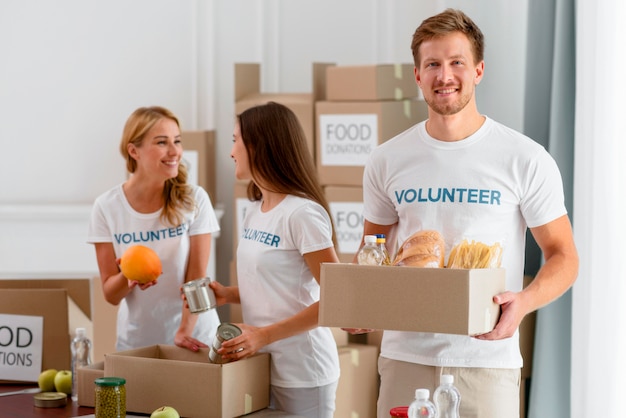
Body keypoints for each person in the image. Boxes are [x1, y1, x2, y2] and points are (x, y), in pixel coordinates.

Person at [354, 9, 579, 417]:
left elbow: (564, 256)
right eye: (433, 64)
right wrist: (360, 301)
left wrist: (523, 304)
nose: (445, 76)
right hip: (407, 356)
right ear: (418, 75)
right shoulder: (386, 160)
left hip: (486, 359)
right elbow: (373, 249)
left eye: (456, 62)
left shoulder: (524, 158)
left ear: (478, 70)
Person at [208, 102, 340, 418]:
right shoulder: (255, 211)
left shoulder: (302, 214)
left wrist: (263, 335)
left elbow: (339, 299)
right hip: (260, 365)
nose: (231, 152)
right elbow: (279, 288)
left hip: (303, 373)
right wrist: (229, 294)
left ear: (258, 146)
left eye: (235, 140)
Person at [87, 106, 221, 352]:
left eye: (177, 141)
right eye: (162, 142)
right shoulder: (107, 207)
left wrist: (184, 331)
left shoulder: (194, 199)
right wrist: (129, 275)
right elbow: (110, 294)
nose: (175, 151)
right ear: (133, 150)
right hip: (138, 343)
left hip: (195, 337)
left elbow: (197, 278)